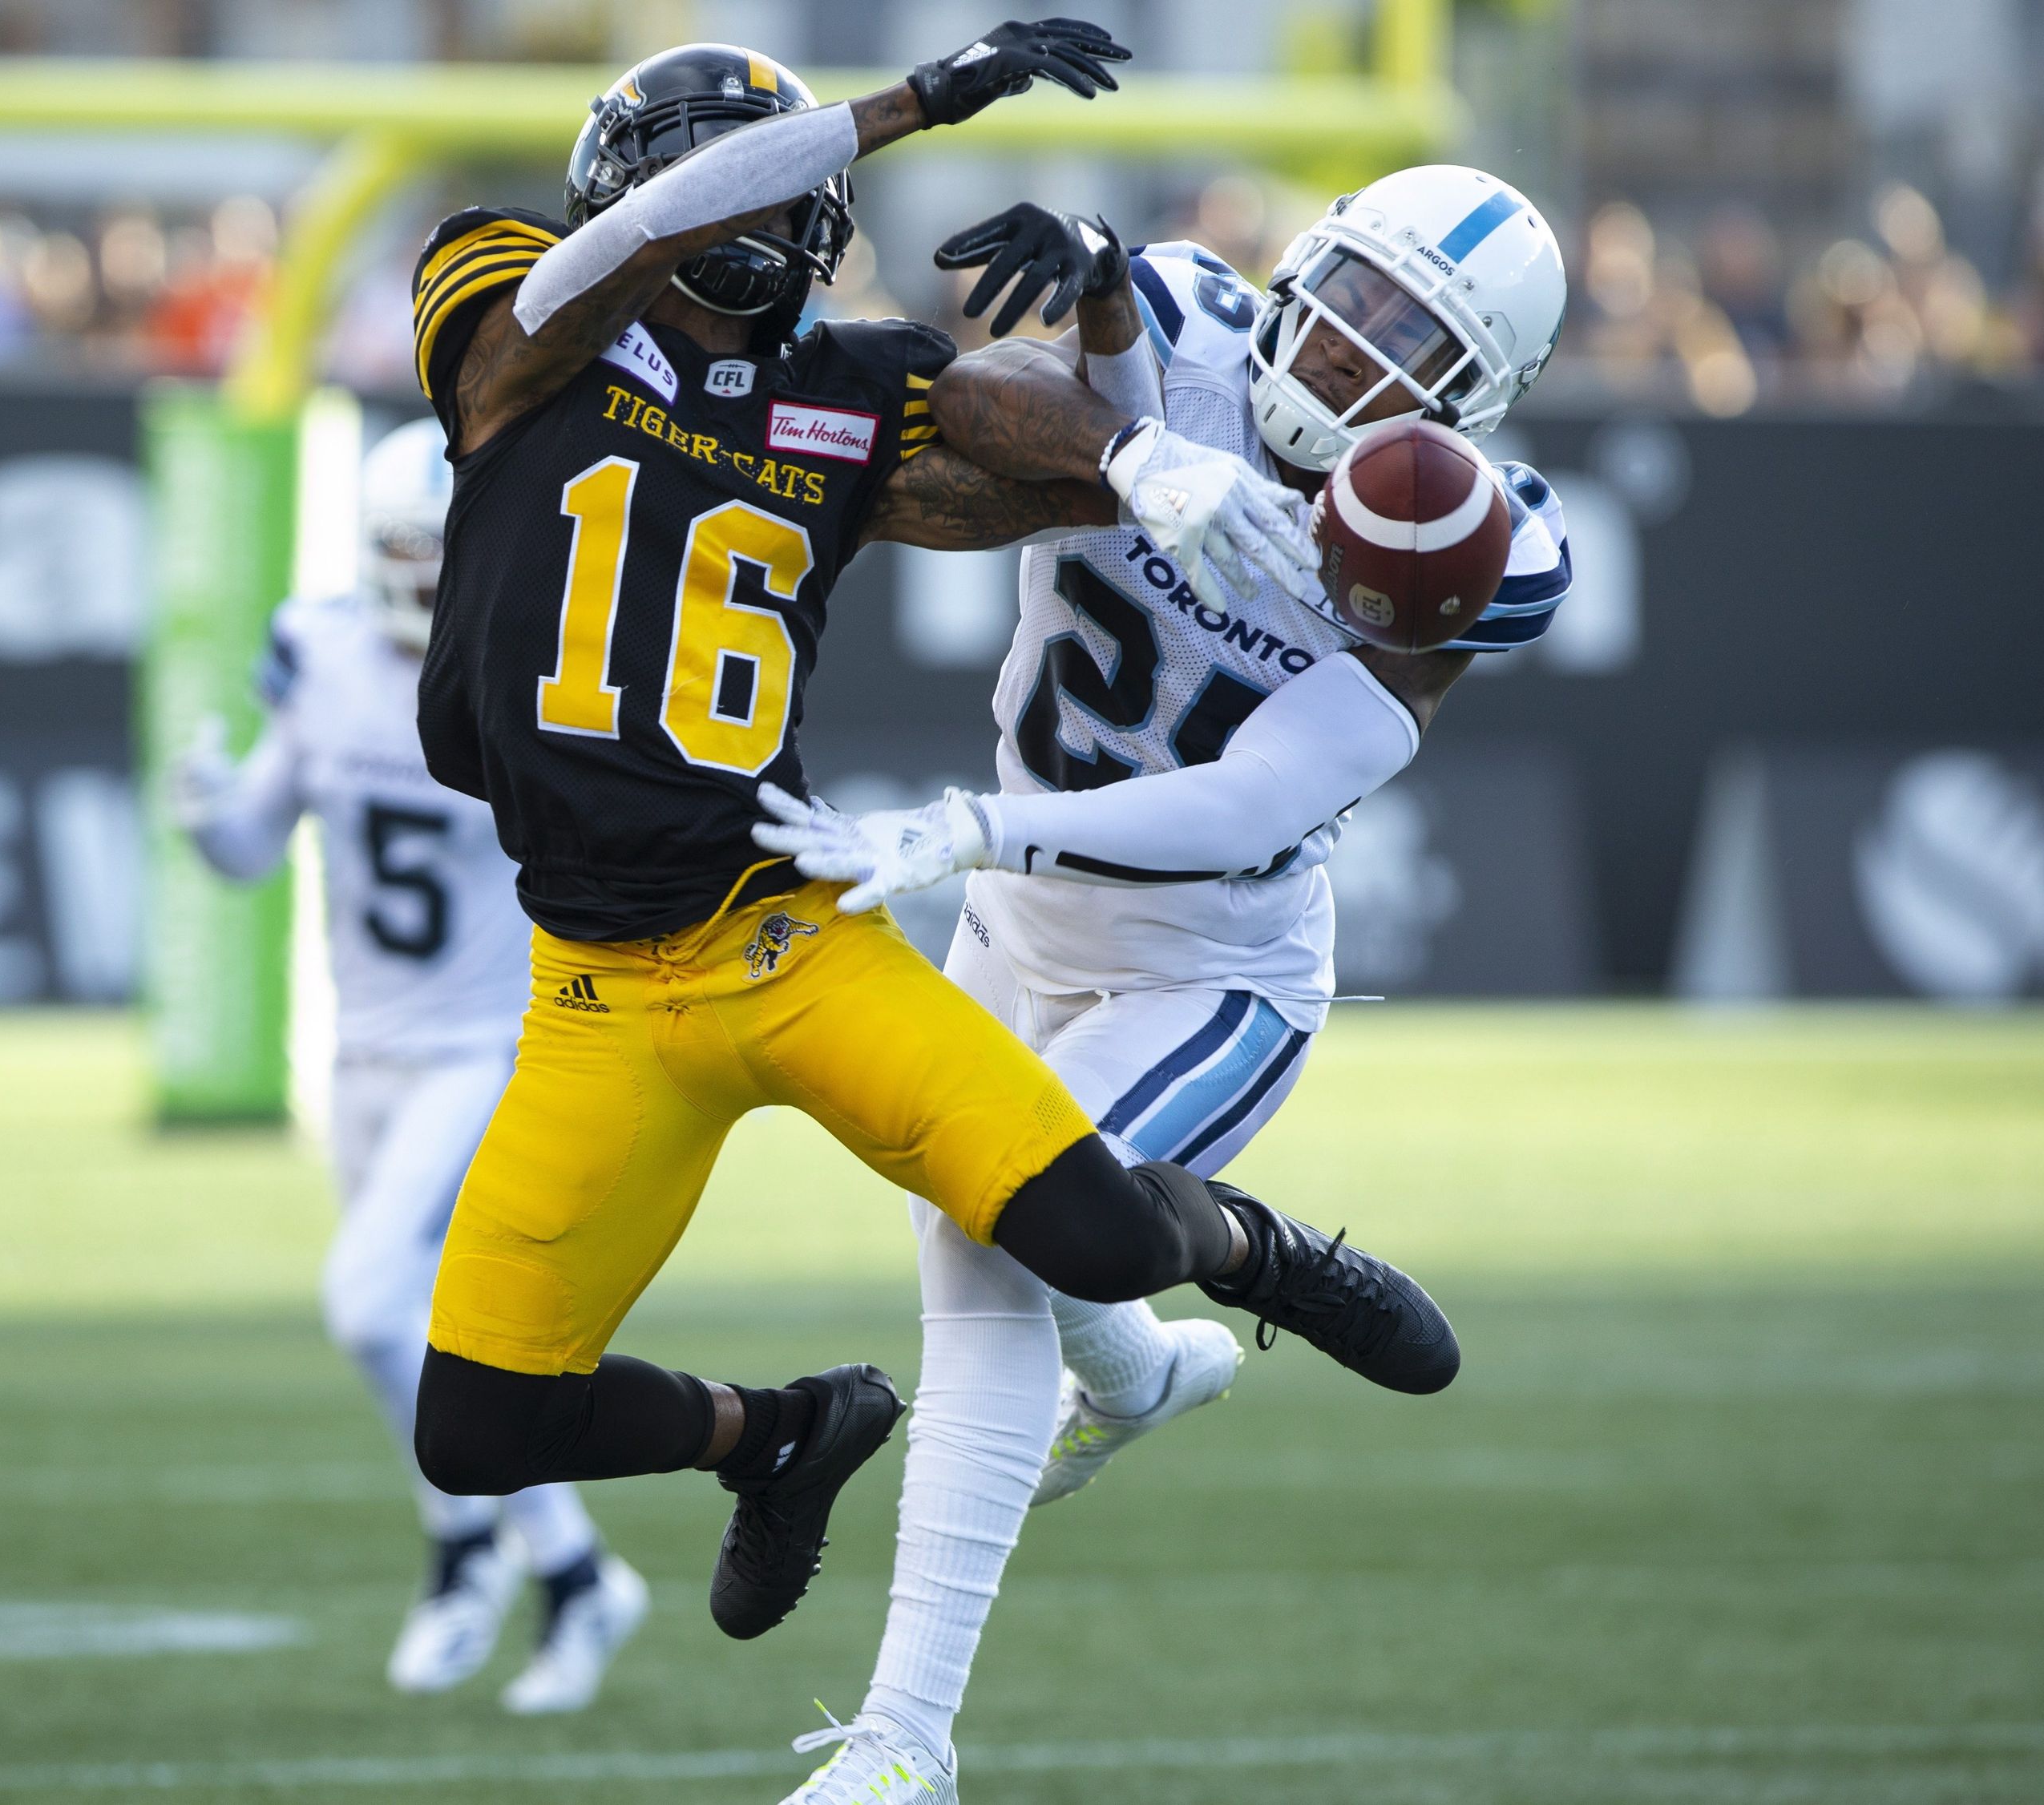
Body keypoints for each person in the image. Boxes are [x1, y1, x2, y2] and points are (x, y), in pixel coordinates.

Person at [406, 23, 1460, 1756]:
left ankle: (1267, 1256)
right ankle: (782, 1434)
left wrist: (1137, 455)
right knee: (480, 1424)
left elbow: (1003, 412)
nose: (703, 205)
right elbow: (639, 239)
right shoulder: (511, 306)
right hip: (593, 989)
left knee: (1096, 1235)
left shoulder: (842, 396)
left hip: (789, 929)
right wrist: (906, 105)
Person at [752, 166, 1573, 1799]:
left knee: (993, 1232)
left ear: (1474, 399)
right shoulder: (1188, 318)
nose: (1350, 346)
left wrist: (983, 823)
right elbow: (982, 410)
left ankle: (906, 1741)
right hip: (1016, 925)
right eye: (1355, 288)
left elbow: (1246, 804)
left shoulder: (1467, 535)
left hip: (1209, 964)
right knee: (1002, 1232)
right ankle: (1140, 1366)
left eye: (1412, 335)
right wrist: (1105, 299)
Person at [172, 420, 646, 1715]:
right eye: (404, 554)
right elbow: (254, 847)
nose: (423, 582)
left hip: (485, 1045)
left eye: (439, 557)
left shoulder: (536, 659)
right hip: (363, 1056)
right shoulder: (319, 647)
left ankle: (481, 1555)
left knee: (371, 1305)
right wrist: (210, 814)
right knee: (432, 1337)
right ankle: (562, 1577)